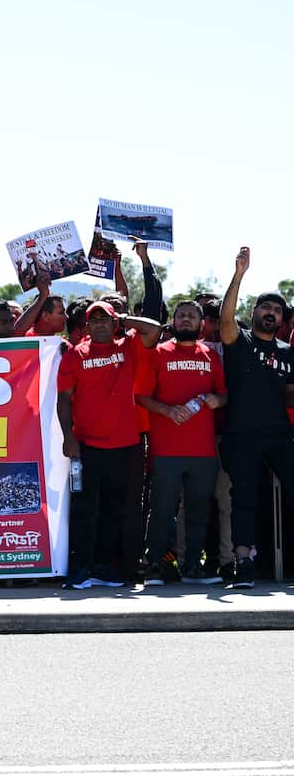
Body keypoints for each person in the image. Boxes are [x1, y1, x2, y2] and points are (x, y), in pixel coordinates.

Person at [56, 301, 162, 589]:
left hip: (126, 445)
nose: (100, 324)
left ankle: (103, 568)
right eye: (94, 320)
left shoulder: (127, 346)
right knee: (84, 510)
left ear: (115, 324)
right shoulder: (76, 355)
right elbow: (64, 399)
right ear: (86, 326)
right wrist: (69, 436)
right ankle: (79, 569)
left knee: (114, 510)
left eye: (105, 319)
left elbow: (154, 331)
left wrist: (124, 318)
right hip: (87, 446)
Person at [135, 300, 227, 586]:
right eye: (181, 315)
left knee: (200, 509)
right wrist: (167, 410)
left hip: (203, 451)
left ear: (202, 324)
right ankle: (154, 567)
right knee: (162, 509)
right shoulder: (158, 353)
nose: (186, 319)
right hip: (167, 449)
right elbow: (140, 396)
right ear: (172, 323)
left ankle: (192, 569)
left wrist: (217, 400)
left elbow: (224, 394)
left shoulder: (211, 356)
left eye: (192, 316)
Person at [217, 247, 294, 589]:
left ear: (282, 321)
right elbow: (225, 319)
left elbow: (289, 393)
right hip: (241, 434)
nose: (271, 313)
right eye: (266, 307)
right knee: (244, 497)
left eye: (277, 311)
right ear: (254, 311)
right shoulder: (240, 341)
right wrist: (239, 274)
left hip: (279, 434)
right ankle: (244, 562)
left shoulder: (289, 353)